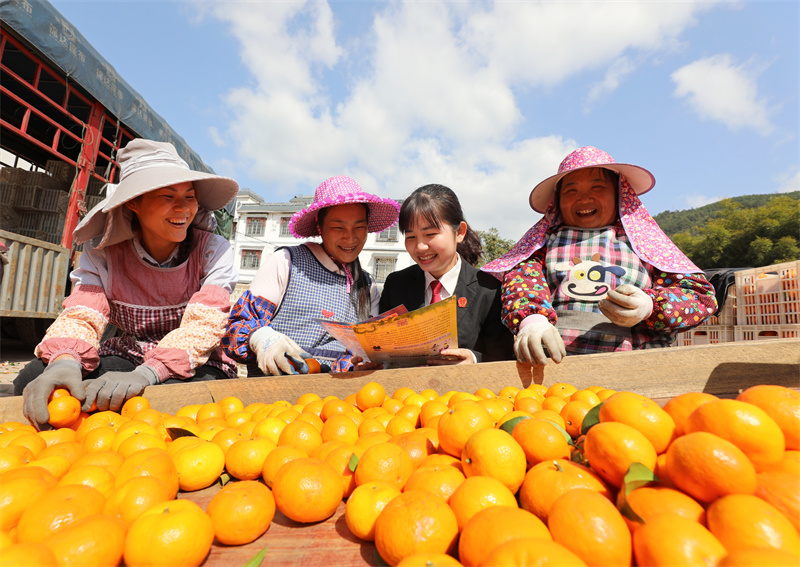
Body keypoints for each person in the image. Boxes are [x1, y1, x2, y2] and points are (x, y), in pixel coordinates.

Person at [15, 139, 240, 429]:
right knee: (34, 378)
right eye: (167, 196)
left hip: (195, 360)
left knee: (174, 399)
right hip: (132, 352)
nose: (183, 208)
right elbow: (83, 313)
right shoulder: (103, 252)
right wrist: (66, 361)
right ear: (133, 202)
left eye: (190, 196)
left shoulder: (213, 250)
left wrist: (148, 373)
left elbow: (204, 325)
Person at [481, 146, 717, 365]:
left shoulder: (646, 245)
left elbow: (699, 297)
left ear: (619, 195)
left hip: (636, 366)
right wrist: (533, 320)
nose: (584, 198)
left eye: (598, 187)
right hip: (554, 365)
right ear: (558, 201)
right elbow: (522, 281)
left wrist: (649, 306)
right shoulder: (541, 245)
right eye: (571, 190)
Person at [223, 176, 400, 376]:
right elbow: (236, 329)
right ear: (319, 226)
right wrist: (260, 338)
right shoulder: (287, 263)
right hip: (273, 389)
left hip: (337, 394)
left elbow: (361, 352)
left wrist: (358, 365)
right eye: (338, 227)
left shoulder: (367, 286)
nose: (350, 238)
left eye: (359, 227)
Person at [379, 184, 514, 365]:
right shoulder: (396, 285)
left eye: (430, 234)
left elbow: (504, 360)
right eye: (411, 237)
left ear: (459, 232)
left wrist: (474, 360)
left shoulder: (490, 290)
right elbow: (384, 351)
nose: (420, 247)